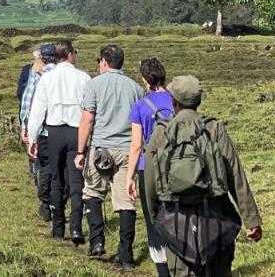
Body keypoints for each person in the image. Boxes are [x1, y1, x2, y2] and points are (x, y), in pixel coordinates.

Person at [142, 76, 262, 277]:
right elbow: (236, 175)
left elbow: (150, 184)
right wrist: (251, 219)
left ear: (174, 102)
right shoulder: (214, 128)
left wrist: (158, 218)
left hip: (176, 221)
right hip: (216, 220)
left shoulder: (162, 133)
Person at [76, 44, 142, 265]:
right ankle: (126, 255)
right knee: (126, 202)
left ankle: (97, 241)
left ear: (104, 61)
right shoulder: (135, 88)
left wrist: (80, 151)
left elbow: (87, 119)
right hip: (127, 149)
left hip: (100, 148)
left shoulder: (94, 84)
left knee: (92, 193)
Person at [26, 39, 90, 243]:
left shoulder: (47, 78)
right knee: (77, 181)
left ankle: (58, 227)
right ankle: (77, 228)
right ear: (70, 54)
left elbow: (37, 110)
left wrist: (32, 137)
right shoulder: (84, 78)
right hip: (76, 132)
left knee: (56, 180)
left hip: (54, 132)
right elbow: (90, 111)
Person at [126, 58, 175, 277]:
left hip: (149, 168)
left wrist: (130, 177)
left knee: (153, 219)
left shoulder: (140, 106)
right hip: (177, 164)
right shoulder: (177, 101)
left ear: (145, 80)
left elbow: (136, 145)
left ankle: (163, 269)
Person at [19, 43, 59, 221]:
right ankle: (57, 203)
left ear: (42, 58)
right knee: (62, 168)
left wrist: (25, 126)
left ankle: (45, 203)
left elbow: (28, 103)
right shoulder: (66, 75)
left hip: (44, 130)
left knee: (45, 166)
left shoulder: (38, 76)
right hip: (64, 129)